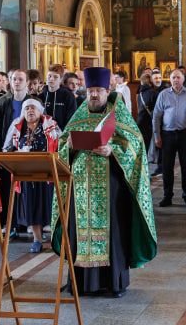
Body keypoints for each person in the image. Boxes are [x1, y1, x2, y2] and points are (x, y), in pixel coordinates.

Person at [55, 68, 158, 297]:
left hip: (112, 186)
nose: (94, 95)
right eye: (90, 91)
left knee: (114, 233)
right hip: (79, 188)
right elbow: (61, 146)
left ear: (107, 91)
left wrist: (113, 150)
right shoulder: (79, 115)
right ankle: (79, 282)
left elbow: (135, 145)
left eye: (98, 91)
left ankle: (114, 283)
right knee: (78, 233)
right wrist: (70, 146)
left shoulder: (117, 115)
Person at [3, 98, 60, 252]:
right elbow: (7, 147)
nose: (30, 111)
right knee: (31, 206)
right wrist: (12, 152)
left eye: (33, 107)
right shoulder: (17, 127)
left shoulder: (50, 125)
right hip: (25, 175)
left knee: (49, 206)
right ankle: (37, 240)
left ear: (39, 110)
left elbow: (61, 144)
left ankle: (56, 238)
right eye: (27, 108)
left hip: (47, 174)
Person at [153, 69, 186, 207]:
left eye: (178, 77)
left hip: (184, 134)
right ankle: (167, 196)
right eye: (173, 77)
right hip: (167, 135)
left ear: (183, 79)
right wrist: (157, 135)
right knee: (167, 168)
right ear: (170, 79)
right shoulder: (163, 95)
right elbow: (156, 116)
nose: (176, 80)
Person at [0, 69, 32, 237]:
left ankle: (29, 222)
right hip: (8, 151)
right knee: (7, 188)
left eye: (20, 79)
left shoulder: (34, 101)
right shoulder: (2, 101)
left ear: (27, 82)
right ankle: (9, 223)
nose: (17, 82)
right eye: (14, 79)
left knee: (27, 188)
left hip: (28, 151)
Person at [42, 64, 78, 129]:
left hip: (62, 133)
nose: (51, 79)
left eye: (55, 77)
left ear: (61, 79)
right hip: (44, 134)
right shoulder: (41, 96)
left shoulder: (68, 96)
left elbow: (71, 119)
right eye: (49, 76)